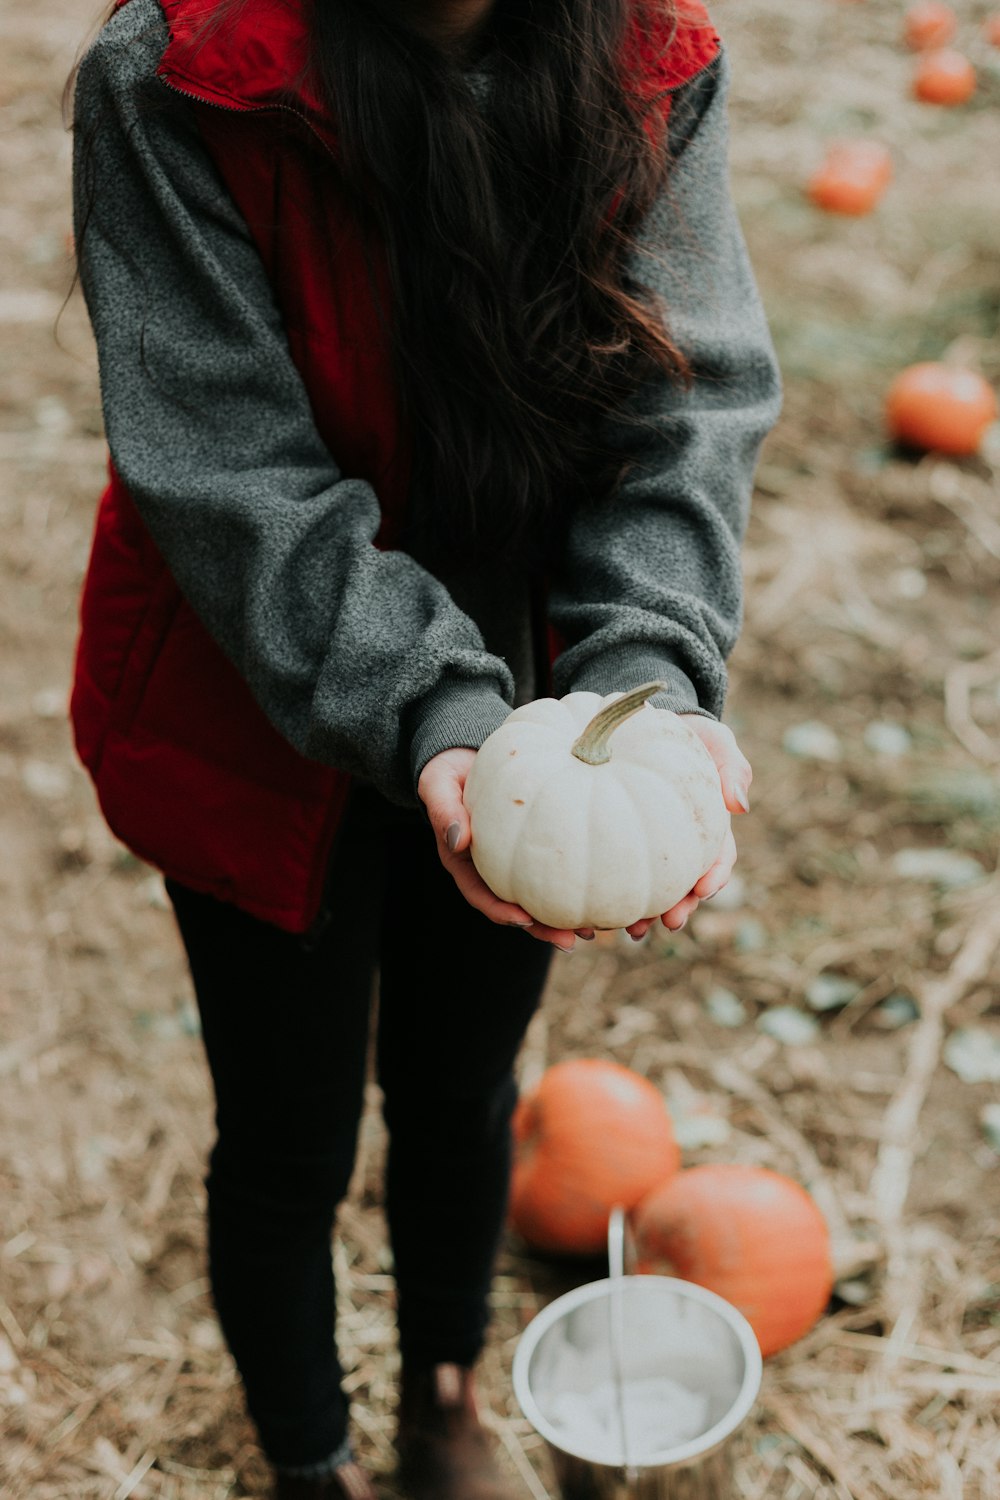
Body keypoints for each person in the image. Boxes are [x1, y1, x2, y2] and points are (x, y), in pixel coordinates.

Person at [69, 0, 781, 1493]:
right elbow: (232, 471)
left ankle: (444, 1399)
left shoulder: (653, 60)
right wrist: (439, 715)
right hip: (251, 698)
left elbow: (685, 406)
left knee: (464, 1091)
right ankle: (310, 1458)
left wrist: (644, 670)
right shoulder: (178, 78)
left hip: (545, 707)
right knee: (285, 1133)